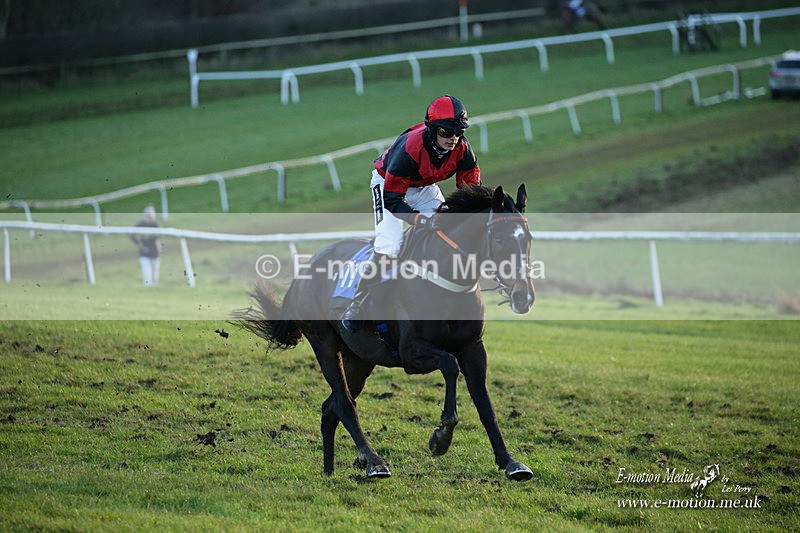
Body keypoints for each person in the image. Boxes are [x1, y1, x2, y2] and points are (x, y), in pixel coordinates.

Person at [341, 94, 481, 330]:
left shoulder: (462, 149)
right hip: (388, 185)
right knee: (390, 243)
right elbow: (394, 200)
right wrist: (419, 220)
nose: (453, 139)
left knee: (448, 229)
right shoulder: (410, 148)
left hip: (424, 187)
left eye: (458, 132)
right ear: (433, 129)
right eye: (446, 132)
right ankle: (358, 300)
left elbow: (470, 191)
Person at [131, 204, 161, 285]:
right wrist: (139, 243)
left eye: (150, 216)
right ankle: (147, 287)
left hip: (154, 252)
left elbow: (157, 236)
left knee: (154, 273)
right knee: (146, 271)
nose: (148, 217)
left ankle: (154, 289)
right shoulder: (140, 224)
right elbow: (132, 235)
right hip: (143, 252)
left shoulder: (155, 225)